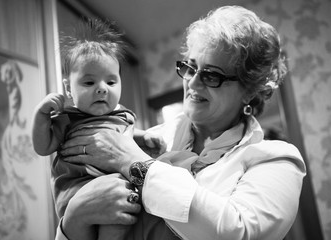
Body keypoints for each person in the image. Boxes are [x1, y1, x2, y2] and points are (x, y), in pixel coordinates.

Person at [55, 5, 306, 240]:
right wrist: (75, 215)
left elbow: (237, 232)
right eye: (191, 67)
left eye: (211, 75)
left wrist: (133, 163)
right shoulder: (147, 138)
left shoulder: (276, 159)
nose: (193, 84)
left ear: (250, 90)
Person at [31, 18, 165, 240]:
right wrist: (40, 116)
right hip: (77, 190)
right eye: (89, 83)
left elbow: (126, 138)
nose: (102, 89)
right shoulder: (68, 118)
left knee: (122, 213)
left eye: (111, 82)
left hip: (118, 190)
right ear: (68, 88)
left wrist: (145, 136)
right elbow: (43, 147)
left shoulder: (123, 115)